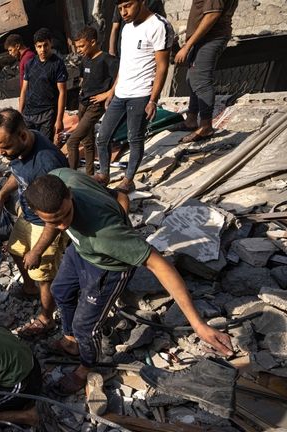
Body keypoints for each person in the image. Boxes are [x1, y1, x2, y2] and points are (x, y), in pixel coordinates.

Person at [24, 169, 234, 395]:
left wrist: (197, 323)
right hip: (81, 251)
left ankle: (87, 367)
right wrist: (37, 250)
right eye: (53, 221)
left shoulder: (106, 234)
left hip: (108, 268)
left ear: (70, 195)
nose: (63, 226)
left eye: (65, 215)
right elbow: (116, 195)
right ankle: (70, 340)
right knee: (60, 291)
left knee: (85, 326)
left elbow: (159, 265)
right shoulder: (61, 177)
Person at [0, 109, 68, 338]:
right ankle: (29, 287)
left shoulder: (46, 163)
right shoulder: (20, 149)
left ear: (22, 136)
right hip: (29, 215)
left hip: (46, 223)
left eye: (6, 147)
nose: (2, 154)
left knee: (43, 274)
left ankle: (46, 318)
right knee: (15, 249)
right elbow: (18, 173)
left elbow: (57, 216)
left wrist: (38, 250)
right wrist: (1, 194)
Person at [95, 0, 174, 192]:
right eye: (120, 8)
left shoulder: (159, 25)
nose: (123, 12)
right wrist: (112, 91)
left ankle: (128, 180)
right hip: (121, 93)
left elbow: (162, 66)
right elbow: (125, 64)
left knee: (134, 138)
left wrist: (153, 100)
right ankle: (103, 174)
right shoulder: (127, 28)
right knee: (102, 136)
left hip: (141, 94)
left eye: (128, 6)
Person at [173, 0, 238, 143]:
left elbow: (212, 15)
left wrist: (187, 46)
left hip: (210, 37)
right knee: (192, 77)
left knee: (201, 81)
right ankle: (191, 120)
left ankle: (206, 126)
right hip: (203, 38)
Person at [67, 27, 119, 174]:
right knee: (87, 142)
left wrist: (108, 93)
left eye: (82, 46)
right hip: (83, 103)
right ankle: (89, 174)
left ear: (93, 42)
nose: (79, 50)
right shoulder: (85, 60)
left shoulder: (108, 60)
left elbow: (120, 78)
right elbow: (84, 77)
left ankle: (71, 176)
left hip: (95, 105)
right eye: (77, 47)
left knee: (72, 141)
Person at [18, 28, 68, 145]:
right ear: (35, 47)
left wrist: (59, 120)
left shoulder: (57, 64)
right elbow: (24, 89)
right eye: (39, 46)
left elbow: (62, 93)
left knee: (44, 145)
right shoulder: (30, 64)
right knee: (28, 145)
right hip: (29, 113)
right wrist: (20, 112)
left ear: (51, 44)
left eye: (46, 45)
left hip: (47, 114)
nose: (43, 49)